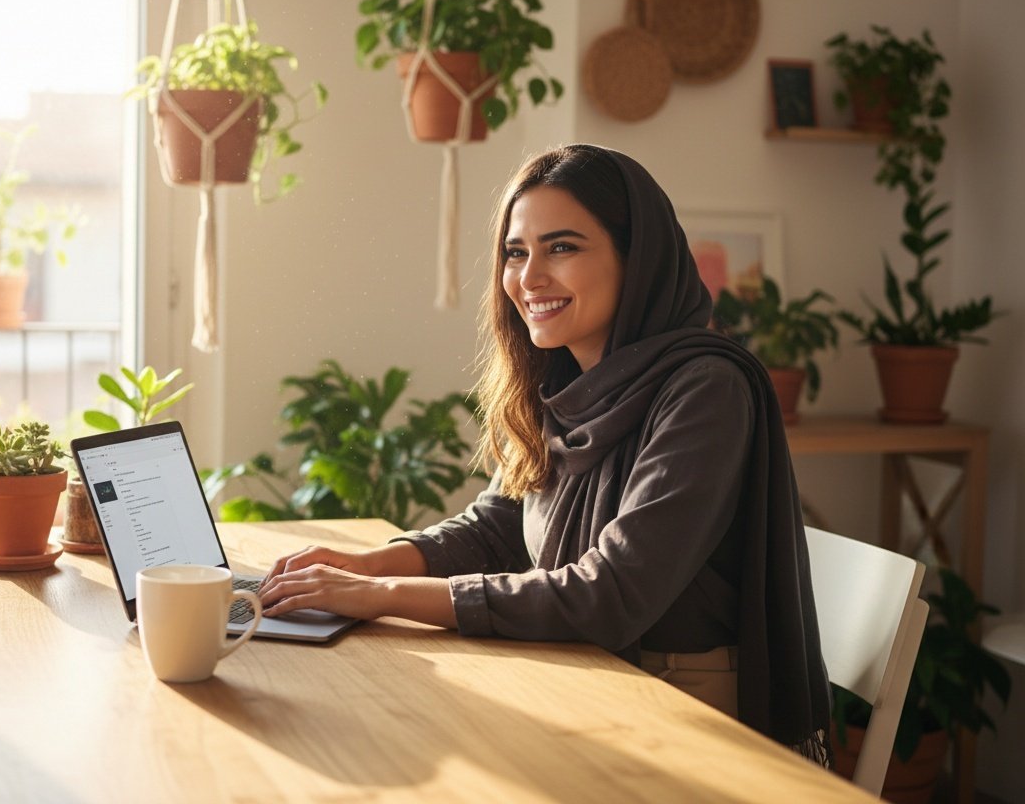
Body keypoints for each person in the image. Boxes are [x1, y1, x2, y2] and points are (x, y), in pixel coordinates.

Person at [258, 144, 832, 763]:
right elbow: (498, 524)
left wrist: (385, 597)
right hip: (586, 668)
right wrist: (367, 566)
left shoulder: (706, 391)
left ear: (636, 259)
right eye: (515, 252)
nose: (528, 278)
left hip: (678, 698)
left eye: (562, 247)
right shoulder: (563, 381)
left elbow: (606, 596)